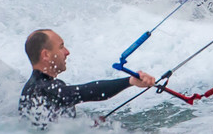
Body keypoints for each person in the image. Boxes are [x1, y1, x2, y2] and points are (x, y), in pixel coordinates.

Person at [18, 29, 155, 127]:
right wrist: (129, 81)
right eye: (61, 47)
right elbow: (84, 91)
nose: (67, 52)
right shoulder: (41, 89)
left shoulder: (41, 87)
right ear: (46, 55)